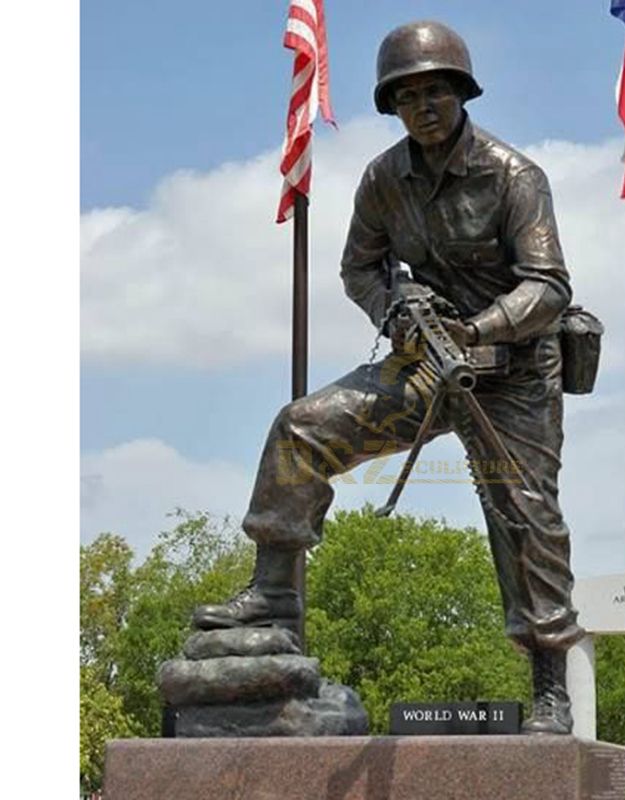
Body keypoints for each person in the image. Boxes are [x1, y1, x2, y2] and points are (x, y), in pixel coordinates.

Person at [192, 20, 584, 735]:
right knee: (302, 430)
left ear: (461, 93)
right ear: (392, 106)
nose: (423, 106)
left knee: (525, 520)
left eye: (436, 91)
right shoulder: (382, 179)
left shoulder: (513, 175)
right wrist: (397, 310)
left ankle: (549, 682)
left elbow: (550, 287)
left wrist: (479, 328)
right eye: (407, 96)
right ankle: (274, 600)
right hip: (426, 362)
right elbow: (358, 268)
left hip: (513, 373)